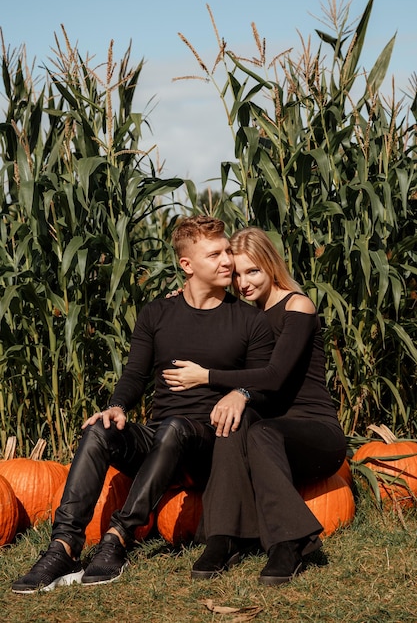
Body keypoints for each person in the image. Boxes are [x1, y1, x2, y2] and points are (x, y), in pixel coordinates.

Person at [12, 216, 275, 594]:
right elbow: (135, 374)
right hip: (160, 442)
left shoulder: (249, 320)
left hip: (208, 448)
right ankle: (63, 546)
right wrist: (117, 405)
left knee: (174, 428)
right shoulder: (158, 313)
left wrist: (242, 393)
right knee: (99, 428)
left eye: (227, 252)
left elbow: (264, 383)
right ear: (186, 264)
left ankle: (118, 536)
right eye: (214, 254)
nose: (227, 262)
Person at [163, 227, 347, 586]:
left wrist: (213, 380)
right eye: (236, 274)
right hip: (271, 429)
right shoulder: (250, 317)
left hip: (317, 434)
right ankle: (222, 538)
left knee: (258, 427)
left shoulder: (298, 305)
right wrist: (181, 298)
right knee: (232, 422)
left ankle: (289, 542)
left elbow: (276, 376)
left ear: (271, 266)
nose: (243, 282)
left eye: (253, 271)